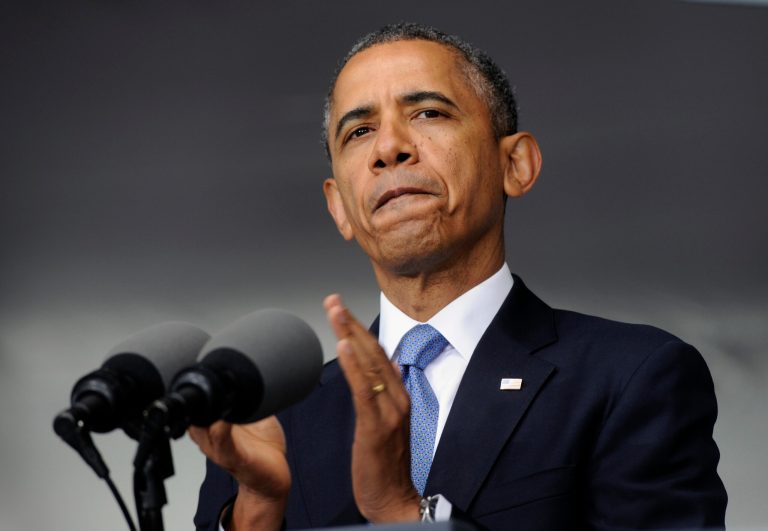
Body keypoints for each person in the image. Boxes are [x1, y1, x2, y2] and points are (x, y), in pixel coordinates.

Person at [191, 23, 727, 530]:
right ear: (339, 208)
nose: (388, 148)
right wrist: (259, 507)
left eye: (426, 113)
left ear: (515, 164)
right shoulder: (275, 420)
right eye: (359, 130)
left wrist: (404, 514)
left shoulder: (631, 378)